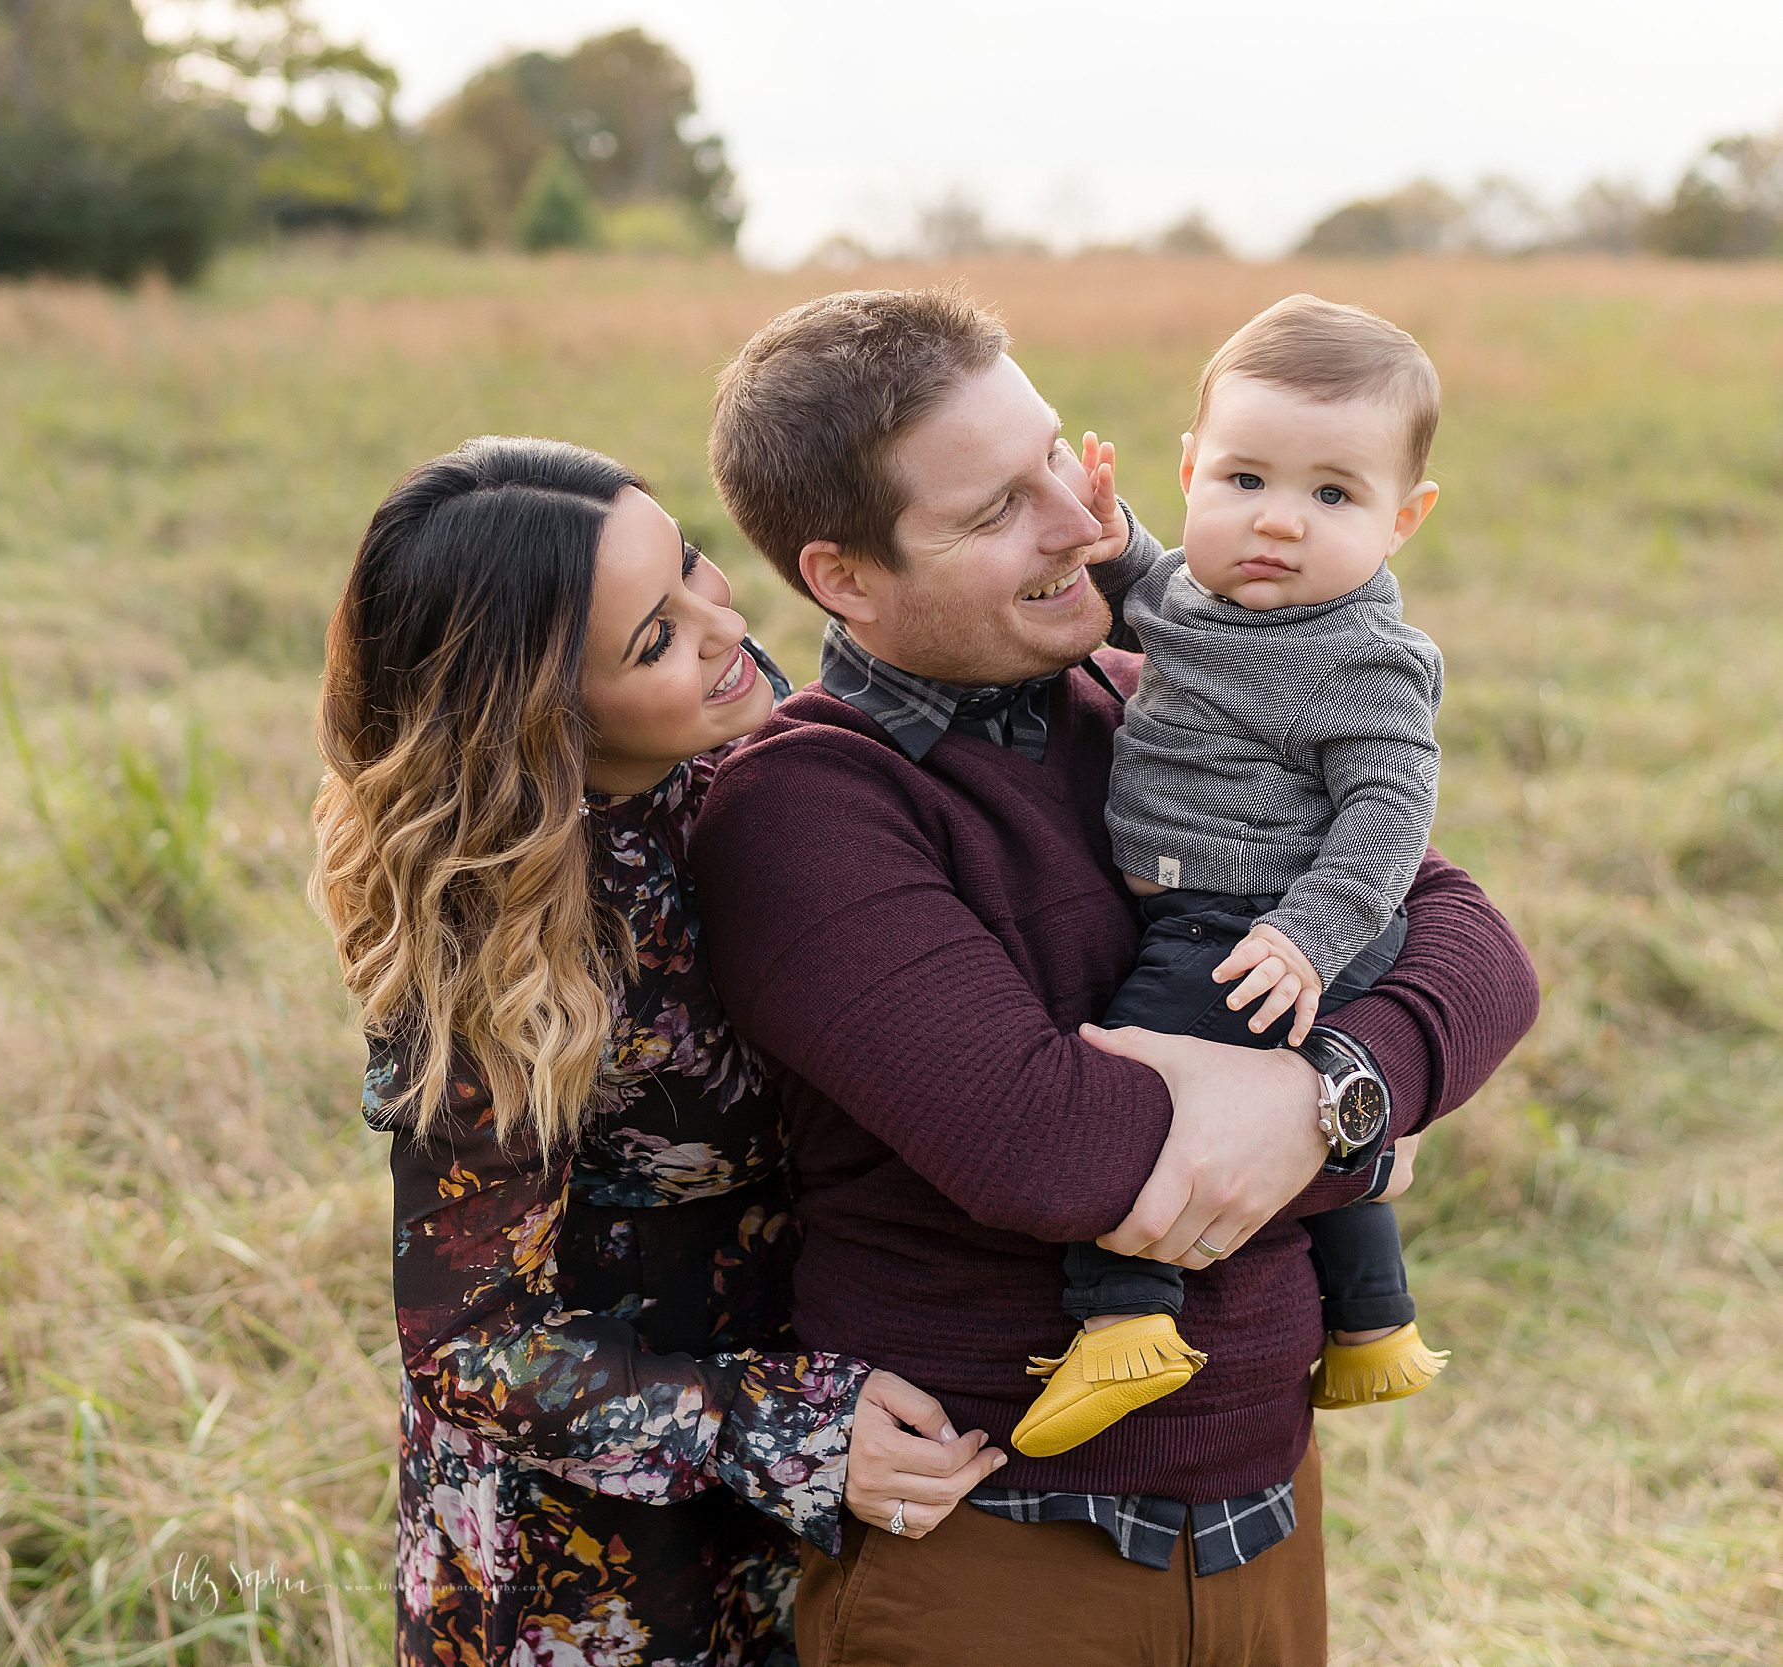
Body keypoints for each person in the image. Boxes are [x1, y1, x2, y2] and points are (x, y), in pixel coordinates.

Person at [691, 289, 1539, 1665]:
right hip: (997, 1539)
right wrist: (1357, 1136)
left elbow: (1478, 946)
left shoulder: (1151, 687)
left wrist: (1340, 1093)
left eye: (1053, 462)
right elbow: (1051, 1147)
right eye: (993, 511)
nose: (1080, 522)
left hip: (1264, 1500)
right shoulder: (805, 804)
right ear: (842, 575)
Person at [310, 436, 1005, 1667]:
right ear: (536, 718)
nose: (721, 626)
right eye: (655, 640)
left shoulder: (752, 736)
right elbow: (470, 1341)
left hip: (826, 1422)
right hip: (602, 1535)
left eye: (691, 567)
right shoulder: (503, 943)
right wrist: (781, 1427)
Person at [1016, 295, 1458, 1460]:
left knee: (1138, 1080)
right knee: (1300, 1109)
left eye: (1331, 494)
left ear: (1401, 517)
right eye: (1243, 479)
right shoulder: (1207, 601)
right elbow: (1148, 590)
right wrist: (1110, 536)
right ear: (1191, 470)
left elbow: (1389, 816)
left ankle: (1123, 1317)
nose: (1277, 524)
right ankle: (1372, 1324)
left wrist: (1307, 935)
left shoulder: (1362, 655)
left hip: (1261, 923)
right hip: (1234, 910)